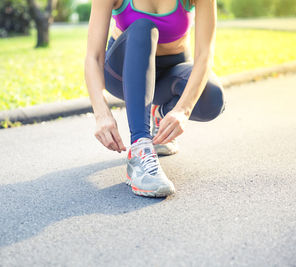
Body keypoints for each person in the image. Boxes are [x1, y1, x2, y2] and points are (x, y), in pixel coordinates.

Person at [84, 0, 225, 197]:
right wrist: (101, 114)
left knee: (212, 98)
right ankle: (140, 151)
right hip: (122, 74)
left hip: (167, 77)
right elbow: (93, 56)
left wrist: (181, 110)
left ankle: (160, 113)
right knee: (143, 27)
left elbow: (204, 56)